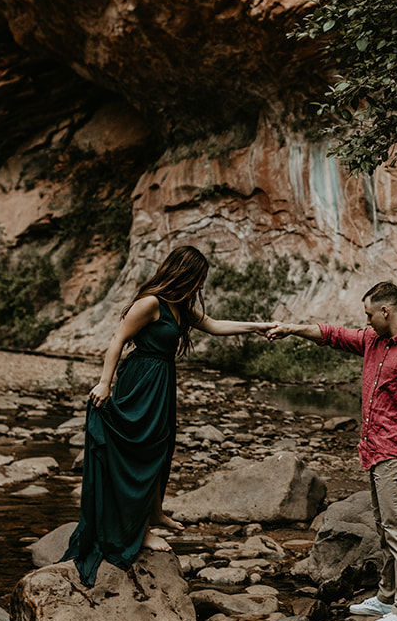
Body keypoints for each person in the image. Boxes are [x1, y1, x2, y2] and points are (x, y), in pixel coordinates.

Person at [62, 245, 275, 587]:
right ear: (184, 274)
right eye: (199, 279)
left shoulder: (182, 308)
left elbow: (216, 326)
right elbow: (118, 339)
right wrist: (104, 384)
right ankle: (141, 530)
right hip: (140, 381)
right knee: (141, 449)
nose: (201, 287)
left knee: (162, 446)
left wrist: (257, 326)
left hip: (162, 382)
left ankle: (155, 511)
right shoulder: (150, 303)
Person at [267, 281, 397, 621]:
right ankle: (387, 597)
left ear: (386, 311)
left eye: (369, 314)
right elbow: (331, 334)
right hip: (375, 452)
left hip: (396, 455)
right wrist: (291, 329)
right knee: (385, 529)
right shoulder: (374, 341)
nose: (366, 321)